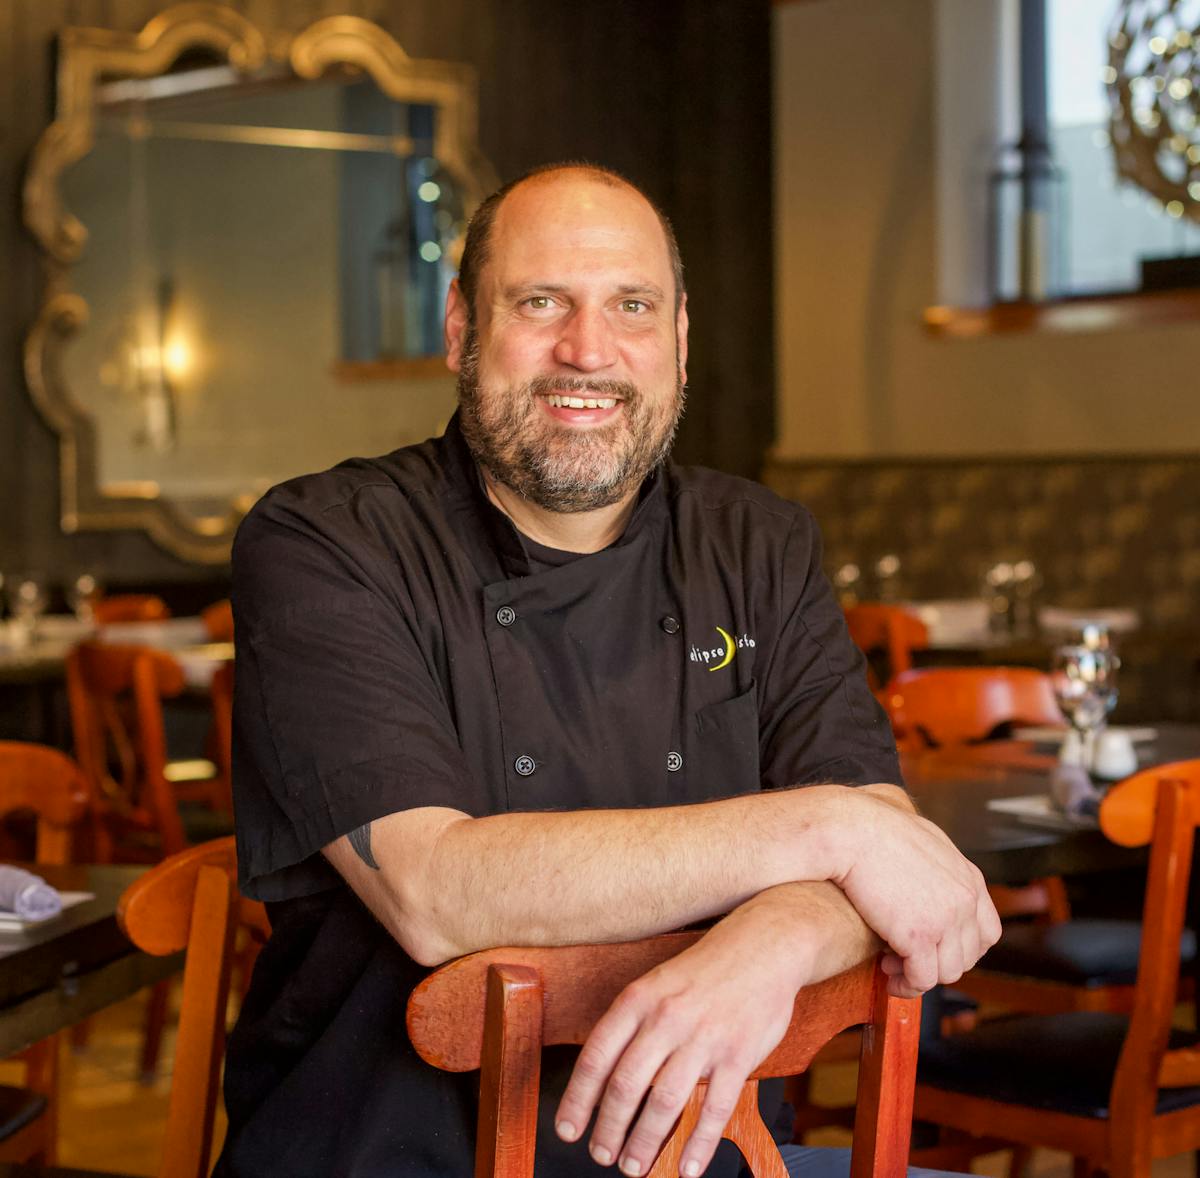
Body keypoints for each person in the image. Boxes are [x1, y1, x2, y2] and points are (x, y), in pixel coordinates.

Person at [216, 162, 999, 1178]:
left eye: (631, 305)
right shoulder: (325, 540)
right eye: (541, 303)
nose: (587, 350)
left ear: (678, 340)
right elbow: (436, 890)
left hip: (698, 1155)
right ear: (460, 328)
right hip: (391, 1150)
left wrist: (767, 942)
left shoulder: (757, 542)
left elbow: (884, 850)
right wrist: (830, 831)